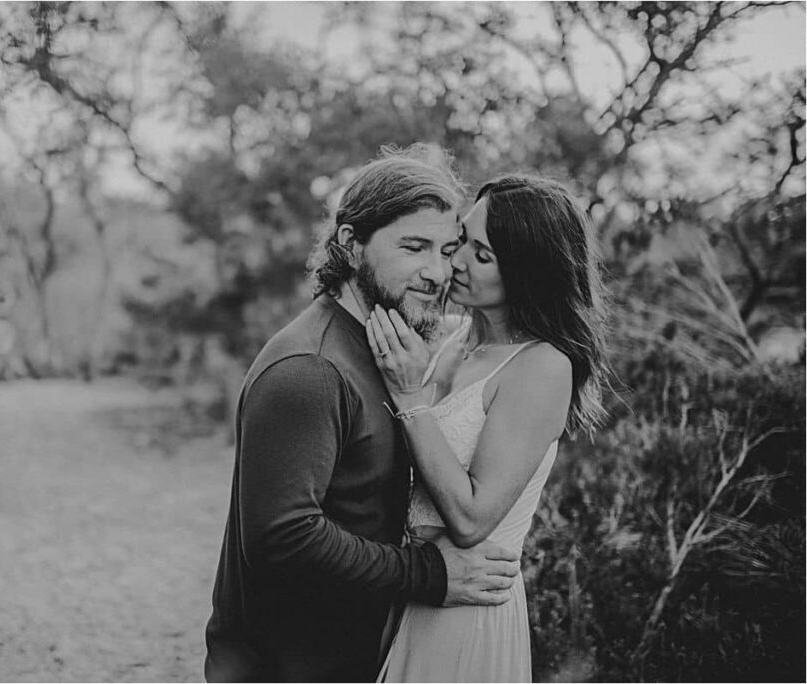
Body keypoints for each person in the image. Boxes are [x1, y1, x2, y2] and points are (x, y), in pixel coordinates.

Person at [204, 146, 524, 683]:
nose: (436, 273)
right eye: (414, 247)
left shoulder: (382, 349)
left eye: (448, 250)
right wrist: (431, 576)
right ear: (351, 245)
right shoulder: (310, 368)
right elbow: (284, 536)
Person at [367, 174, 611, 682]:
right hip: (413, 589)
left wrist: (411, 399)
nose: (453, 262)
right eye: (463, 240)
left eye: (481, 255)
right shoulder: (452, 339)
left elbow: (473, 520)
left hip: (465, 612)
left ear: (527, 272)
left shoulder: (542, 366)